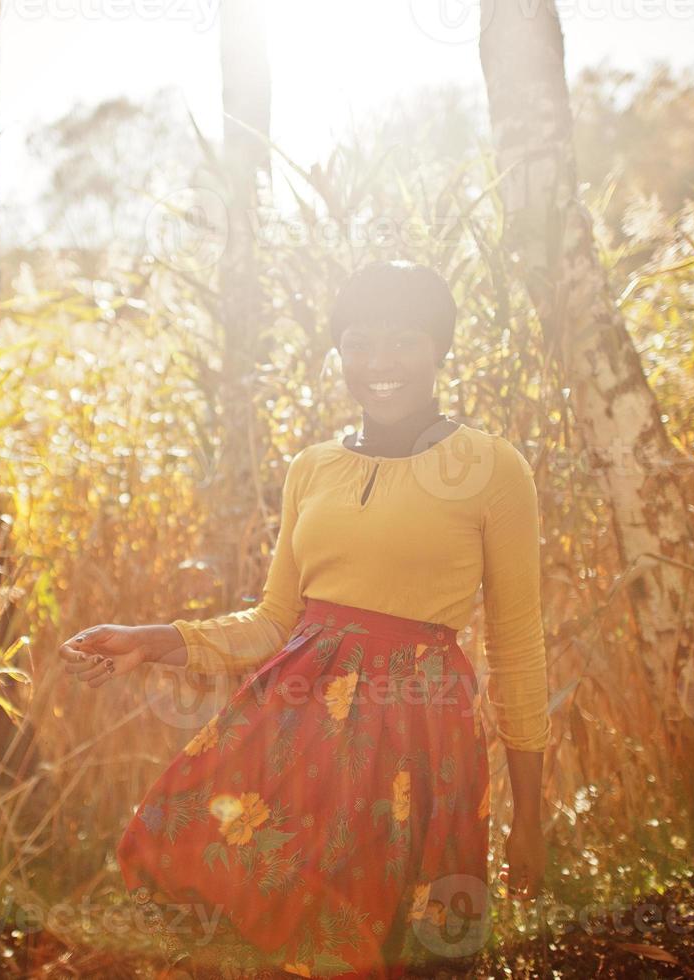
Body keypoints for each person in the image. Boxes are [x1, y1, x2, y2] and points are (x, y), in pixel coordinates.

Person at [58, 260, 551, 978]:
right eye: (357, 341)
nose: (378, 362)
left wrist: (529, 818)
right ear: (339, 351)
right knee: (260, 935)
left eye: (404, 340)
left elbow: (517, 645)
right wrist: (155, 640)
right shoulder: (313, 467)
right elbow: (273, 622)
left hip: (414, 741)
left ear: (439, 347)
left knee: (382, 947)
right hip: (293, 740)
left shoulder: (491, 467)